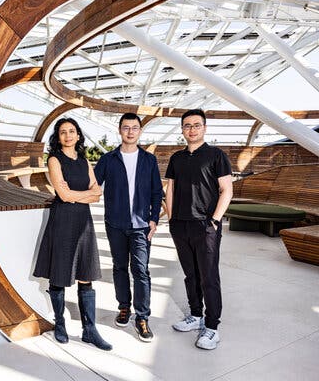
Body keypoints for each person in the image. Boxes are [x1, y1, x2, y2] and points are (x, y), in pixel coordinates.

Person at [33, 117, 112, 351]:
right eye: (63, 132)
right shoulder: (55, 160)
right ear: (58, 137)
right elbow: (64, 195)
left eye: (72, 131)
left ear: (78, 135)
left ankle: (90, 330)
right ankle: (60, 324)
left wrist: (76, 195)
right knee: (59, 274)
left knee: (85, 274)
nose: (68, 135)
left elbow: (97, 193)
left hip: (83, 221)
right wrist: (83, 196)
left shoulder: (85, 161)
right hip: (63, 220)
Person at [165, 109, 233, 350]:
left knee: (208, 277)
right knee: (190, 274)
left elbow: (227, 190)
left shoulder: (216, 155)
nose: (191, 129)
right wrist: (172, 219)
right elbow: (170, 189)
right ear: (182, 130)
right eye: (187, 126)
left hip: (206, 226)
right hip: (180, 225)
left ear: (204, 128)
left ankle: (212, 327)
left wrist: (214, 221)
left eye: (196, 125)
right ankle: (196, 316)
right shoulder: (176, 158)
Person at [94, 113, 163, 342]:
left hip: (142, 225)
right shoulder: (108, 159)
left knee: (141, 271)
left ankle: (142, 317)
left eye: (135, 128)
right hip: (115, 223)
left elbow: (156, 192)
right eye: (126, 127)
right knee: (119, 267)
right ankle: (124, 307)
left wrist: (154, 218)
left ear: (140, 131)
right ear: (120, 130)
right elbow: (93, 186)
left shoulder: (149, 160)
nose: (130, 131)